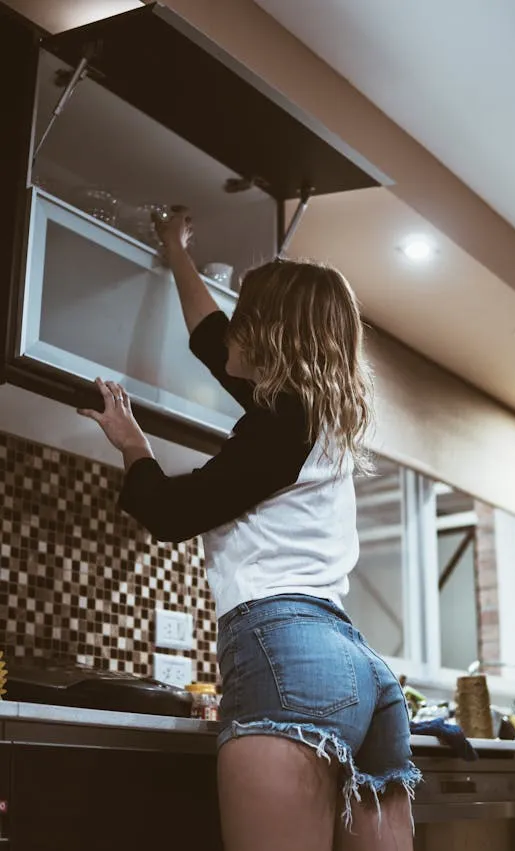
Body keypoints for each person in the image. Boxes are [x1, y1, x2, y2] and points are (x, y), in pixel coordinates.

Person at [78, 207, 420, 851]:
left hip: (287, 653)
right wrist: (175, 250)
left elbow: (170, 513)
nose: (230, 329)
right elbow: (212, 341)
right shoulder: (311, 419)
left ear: (268, 335)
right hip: (361, 671)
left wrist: (131, 443)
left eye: (244, 317)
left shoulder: (283, 428)